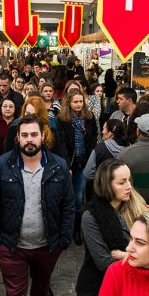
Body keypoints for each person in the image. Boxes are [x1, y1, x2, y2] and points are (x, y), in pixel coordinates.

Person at [0, 115, 75, 296]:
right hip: (11, 246)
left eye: (33, 134)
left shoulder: (57, 166)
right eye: (24, 135)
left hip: (48, 245)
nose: (29, 140)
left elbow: (69, 205)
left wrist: (64, 240)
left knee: (41, 284)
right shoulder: (2, 165)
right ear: (18, 137)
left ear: (43, 136)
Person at [74, 159, 146, 296]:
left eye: (129, 180)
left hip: (133, 288)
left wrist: (122, 255)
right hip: (101, 288)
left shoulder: (136, 206)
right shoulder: (90, 216)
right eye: (122, 183)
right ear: (106, 185)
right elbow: (104, 262)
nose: (129, 186)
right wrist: (142, 257)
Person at [56, 88, 99, 244]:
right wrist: (66, 164)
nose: (79, 104)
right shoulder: (62, 119)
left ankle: (76, 229)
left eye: (81, 101)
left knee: (78, 197)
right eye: (75, 102)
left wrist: (89, 159)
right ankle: (64, 227)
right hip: (68, 162)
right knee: (65, 196)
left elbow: (94, 137)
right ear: (69, 102)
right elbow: (61, 144)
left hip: (83, 162)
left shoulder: (89, 117)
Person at [5, 97, 69, 164]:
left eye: (35, 115)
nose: (30, 117)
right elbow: (7, 156)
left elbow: (57, 156)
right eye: (28, 113)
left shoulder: (52, 131)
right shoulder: (13, 130)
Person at [84, 119, 130, 185]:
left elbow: (87, 174)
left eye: (103, 129)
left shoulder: (100, 149)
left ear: (109, 134)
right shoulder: (130, 149)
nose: (102, 132)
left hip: (102, 190)